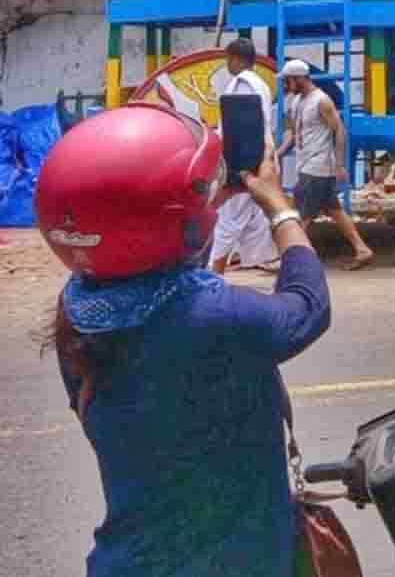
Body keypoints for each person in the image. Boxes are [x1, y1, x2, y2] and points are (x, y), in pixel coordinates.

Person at [34, 102, 330, 577]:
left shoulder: (79, 310)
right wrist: (278, 206)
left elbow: (141, 239)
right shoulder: (213, 314)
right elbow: (308, 306)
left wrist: (201, 202)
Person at [278, 58, 375, 270]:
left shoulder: (322, 101)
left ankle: (288, 260)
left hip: (318, 166)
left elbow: (339, 130)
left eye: (288, 81)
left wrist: (339, 164)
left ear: (299, 78)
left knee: (301, 217)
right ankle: (362, 249)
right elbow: (294, 134)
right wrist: (278, 153)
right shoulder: (295, 102)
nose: (286, 86)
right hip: (307, 165)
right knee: (334, 211)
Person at [210, 37, 279, 274]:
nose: (227, 63)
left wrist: (237, 169)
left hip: (244, 161)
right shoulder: (260, 83)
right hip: (258, 160)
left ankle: (213, 275)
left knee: (228, 219)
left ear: (236, 59)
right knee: (253, 219)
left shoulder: (242, 83)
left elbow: (242, 127)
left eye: (228, 58)